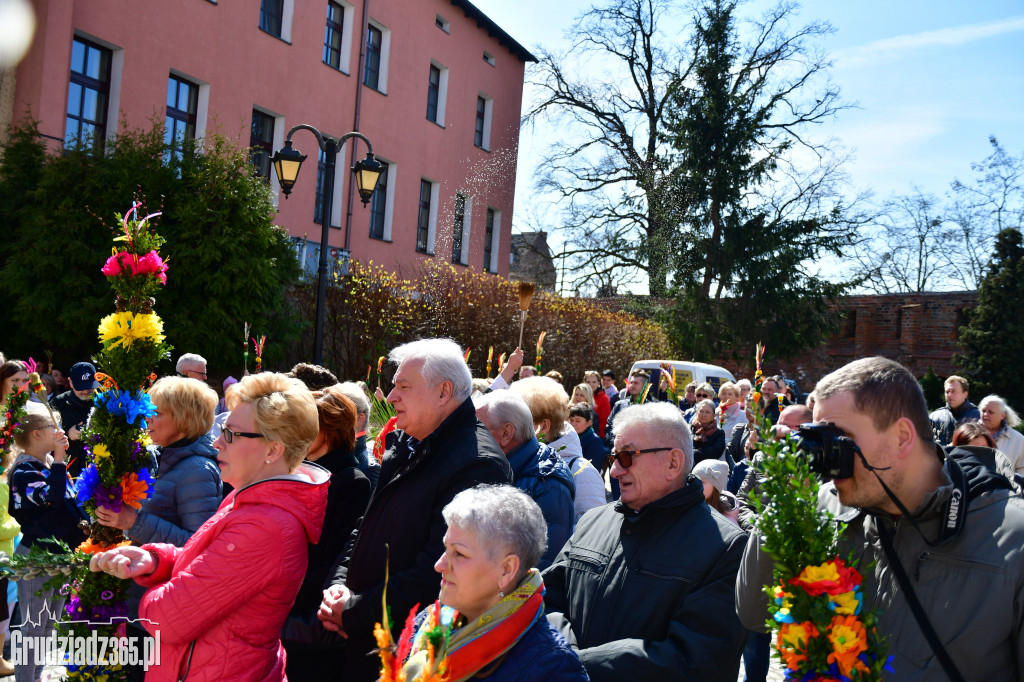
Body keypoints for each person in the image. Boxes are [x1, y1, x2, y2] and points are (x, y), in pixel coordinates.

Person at [736, 356, 1024, 681]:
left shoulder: (1010, 539)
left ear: (901, 436)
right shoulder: (828, 506)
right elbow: (754, 615)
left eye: (840, 438)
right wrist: (785, 505)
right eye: (820, 436)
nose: (829, 456)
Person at [90, 372, 330, 682]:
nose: (217, 441)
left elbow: (167, 618)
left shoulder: (265, 526)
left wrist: (148, 598)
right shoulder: (249, 499)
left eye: (231, 433)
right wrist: (156, 560)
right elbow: (209, 559)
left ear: (272, 450)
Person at [317, 339, 513, 681]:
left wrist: (352, 611)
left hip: (408, 654)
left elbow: (440, 572)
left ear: (443, 392)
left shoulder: (476, 465)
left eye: (403, 387)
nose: (391, 397)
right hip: (368, 639)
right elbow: (367, 524)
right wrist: (338, 586)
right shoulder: (409, 443)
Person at [543, 402, 747, 681]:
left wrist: (574, 667)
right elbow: (544, 601)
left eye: (626, 457)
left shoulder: (727, 547)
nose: (614, 471)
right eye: (613, 458)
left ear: (673, 463)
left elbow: (698, 659)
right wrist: (563, 654)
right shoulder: (593, 521)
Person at [391, 485, 588, 682]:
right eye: (446, 549)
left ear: (507, 570)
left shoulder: (552, 669)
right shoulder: (429, 620)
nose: (439, 565)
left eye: (459, 553)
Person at [284, 386, 371, 681]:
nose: (297, 432)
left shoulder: (351, 481)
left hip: (307, 621)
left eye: (307, 425)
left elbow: (331, 555)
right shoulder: (297, 471)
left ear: (330, 430)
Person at [95, 376, 222, 546]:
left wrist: (134, 522)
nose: (148, 418)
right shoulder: (162, 456)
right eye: (148, 411)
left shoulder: (198, 470)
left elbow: (197, 544)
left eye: (156, 413)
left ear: (184, 419)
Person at [10, 410, 88, 682]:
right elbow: (51, 499)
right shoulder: (24, 471)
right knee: (32, 628)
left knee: (48, 627)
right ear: (37, 434)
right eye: (52, 426)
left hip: (58, 558)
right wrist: (58, 460)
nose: (60, 432)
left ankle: (37, 677)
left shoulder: (48, 466)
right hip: (37, 558)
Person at [474, 390, 575, 569]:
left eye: (478, 428)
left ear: (506, 433)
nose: (472, 437)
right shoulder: (492, 466)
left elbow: (541, 567)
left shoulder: (548, 485)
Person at [509, 377, 605, 523]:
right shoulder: (511, 460)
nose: (510, 430)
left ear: (544, 427)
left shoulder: (582, 471)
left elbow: (593, 531)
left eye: (520, 422)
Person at [48, 360, 98, 477]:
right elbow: (44, 435)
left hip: (97, 466)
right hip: (68, 469)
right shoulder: (57, 404)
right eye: (81, 387)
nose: (86, 391)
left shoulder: (102, 403)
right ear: (70, 382)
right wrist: (67, 434)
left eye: (90, 387)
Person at [333, 381, 381, 491]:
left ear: (359, 419)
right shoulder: (333, 452)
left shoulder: (369, 467)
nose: (327, 419)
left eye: (337, 413)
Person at [929, 375, 981, 446]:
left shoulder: (979, 416)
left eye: (954, 391)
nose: (949, 395)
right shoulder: (934, 417)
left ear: (965, 394)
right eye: (947, 392)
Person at [979, 394, 1024, 473]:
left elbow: (1022, 469)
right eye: (983, 411)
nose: (985, 414)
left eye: (990, 412)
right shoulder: (968, 434)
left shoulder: (1018, 439)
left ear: (1002, 416)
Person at [691, 459, 739, 525]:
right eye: (693, 479)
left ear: (715, 488)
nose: (696, 484)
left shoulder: (727, 523)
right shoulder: (687, 506)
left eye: (702, 482)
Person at [690, 399, 725, 463]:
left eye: (707, 412)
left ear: (713, 416)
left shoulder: (718, 433)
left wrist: (692, 452)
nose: (703, 414)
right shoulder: (690, 428)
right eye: (701, 411)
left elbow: (715, 453)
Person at [583, 371, 610, 438]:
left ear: (599, 383)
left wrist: (599, 438)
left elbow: (604, 421)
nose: (591, 384)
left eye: (594, 382)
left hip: (595, 436)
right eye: (588, 382)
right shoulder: (580, 396)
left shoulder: (604, 398)